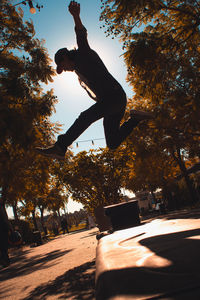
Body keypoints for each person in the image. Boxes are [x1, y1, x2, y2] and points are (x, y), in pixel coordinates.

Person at [36, 1, 153, 160]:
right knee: (112, 143)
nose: (66, 70)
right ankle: (134, 119)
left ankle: (60, 146)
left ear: (65, 57)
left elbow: (81, 35)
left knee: (85, 117)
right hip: (114, 102)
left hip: (114, 97)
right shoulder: (77, 68)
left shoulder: (83, 54)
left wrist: (76, 16)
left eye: (64, 66)